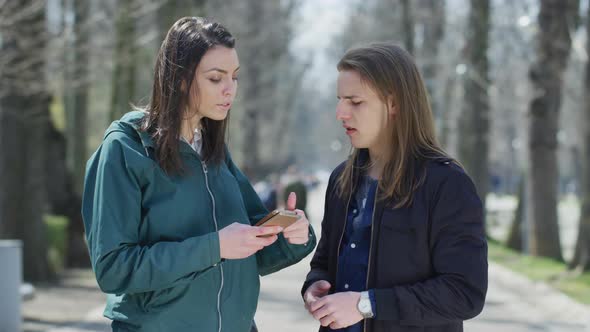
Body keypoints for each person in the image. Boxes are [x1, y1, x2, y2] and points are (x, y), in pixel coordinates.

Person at [82, 17, 316, 332]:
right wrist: (214, 247)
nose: (229, 90)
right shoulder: (126, 149)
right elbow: (113, 269)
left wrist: (293, 234)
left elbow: (250, 250)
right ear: (179, 78)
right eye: (216, 78)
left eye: (234, 77)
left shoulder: (215, 153)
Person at [301, 43, 487, 332]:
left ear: (394, 104)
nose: (341, 112)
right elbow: (324, 260)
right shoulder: (342, 179)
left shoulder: (447, 184)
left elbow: (464, 292)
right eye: (340, 100)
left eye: (355, 101)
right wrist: (314, 286)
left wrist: (367, 304)